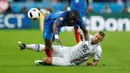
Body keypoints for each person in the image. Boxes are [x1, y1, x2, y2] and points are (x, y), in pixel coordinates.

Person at [18, 31, 105, 66]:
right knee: (48, 47)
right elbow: (81, 31)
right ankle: (25, 46)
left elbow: (96, 62)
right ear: (95, 34)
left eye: (99, 39)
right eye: (96, 36)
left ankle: (46, 63)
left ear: (101, 40)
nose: (96, 38)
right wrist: (80, 31)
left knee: (46, 59)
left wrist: (92, 64)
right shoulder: (88, 36)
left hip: (69, 61)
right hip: (66, 50)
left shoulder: (98, 49)